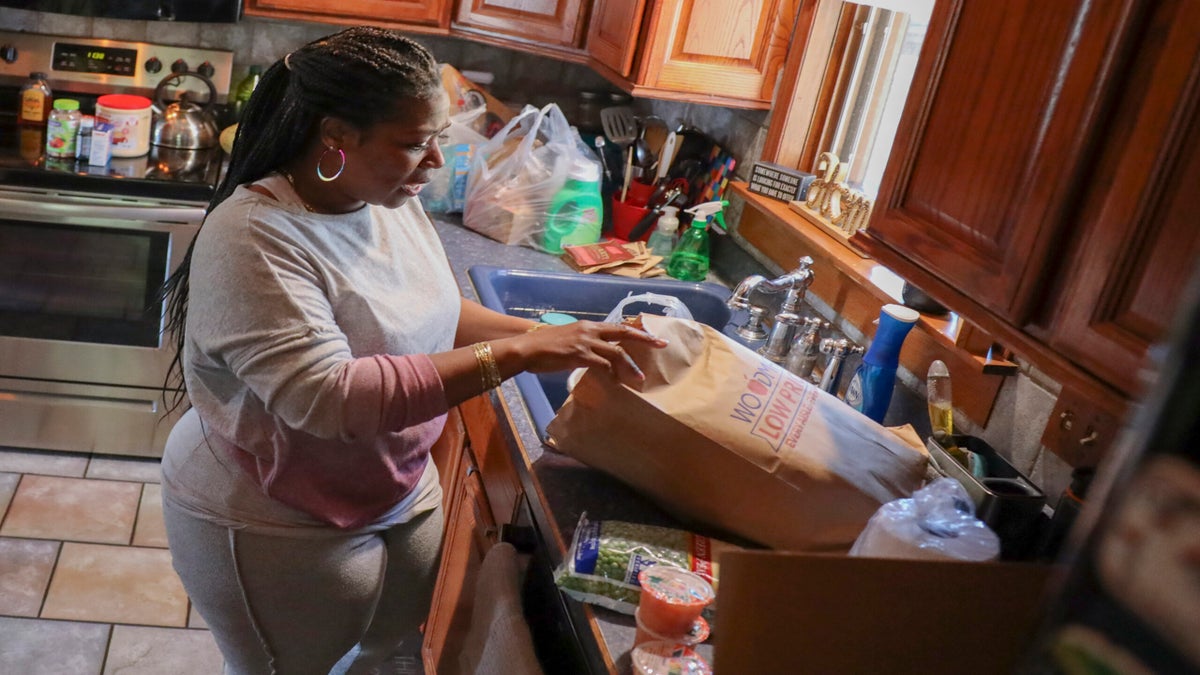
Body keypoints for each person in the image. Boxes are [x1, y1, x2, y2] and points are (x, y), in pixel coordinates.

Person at [158, 26, 665, 675]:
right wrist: (521, 357)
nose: (435, 162)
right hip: (270, 512)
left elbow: (440, 315)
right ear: (337, 136)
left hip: (392, 487)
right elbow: (331, 398)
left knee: (379, 662)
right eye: (413, 143)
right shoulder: (253, 236)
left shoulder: (383, 195)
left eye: (435, 138)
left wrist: (553, 340)